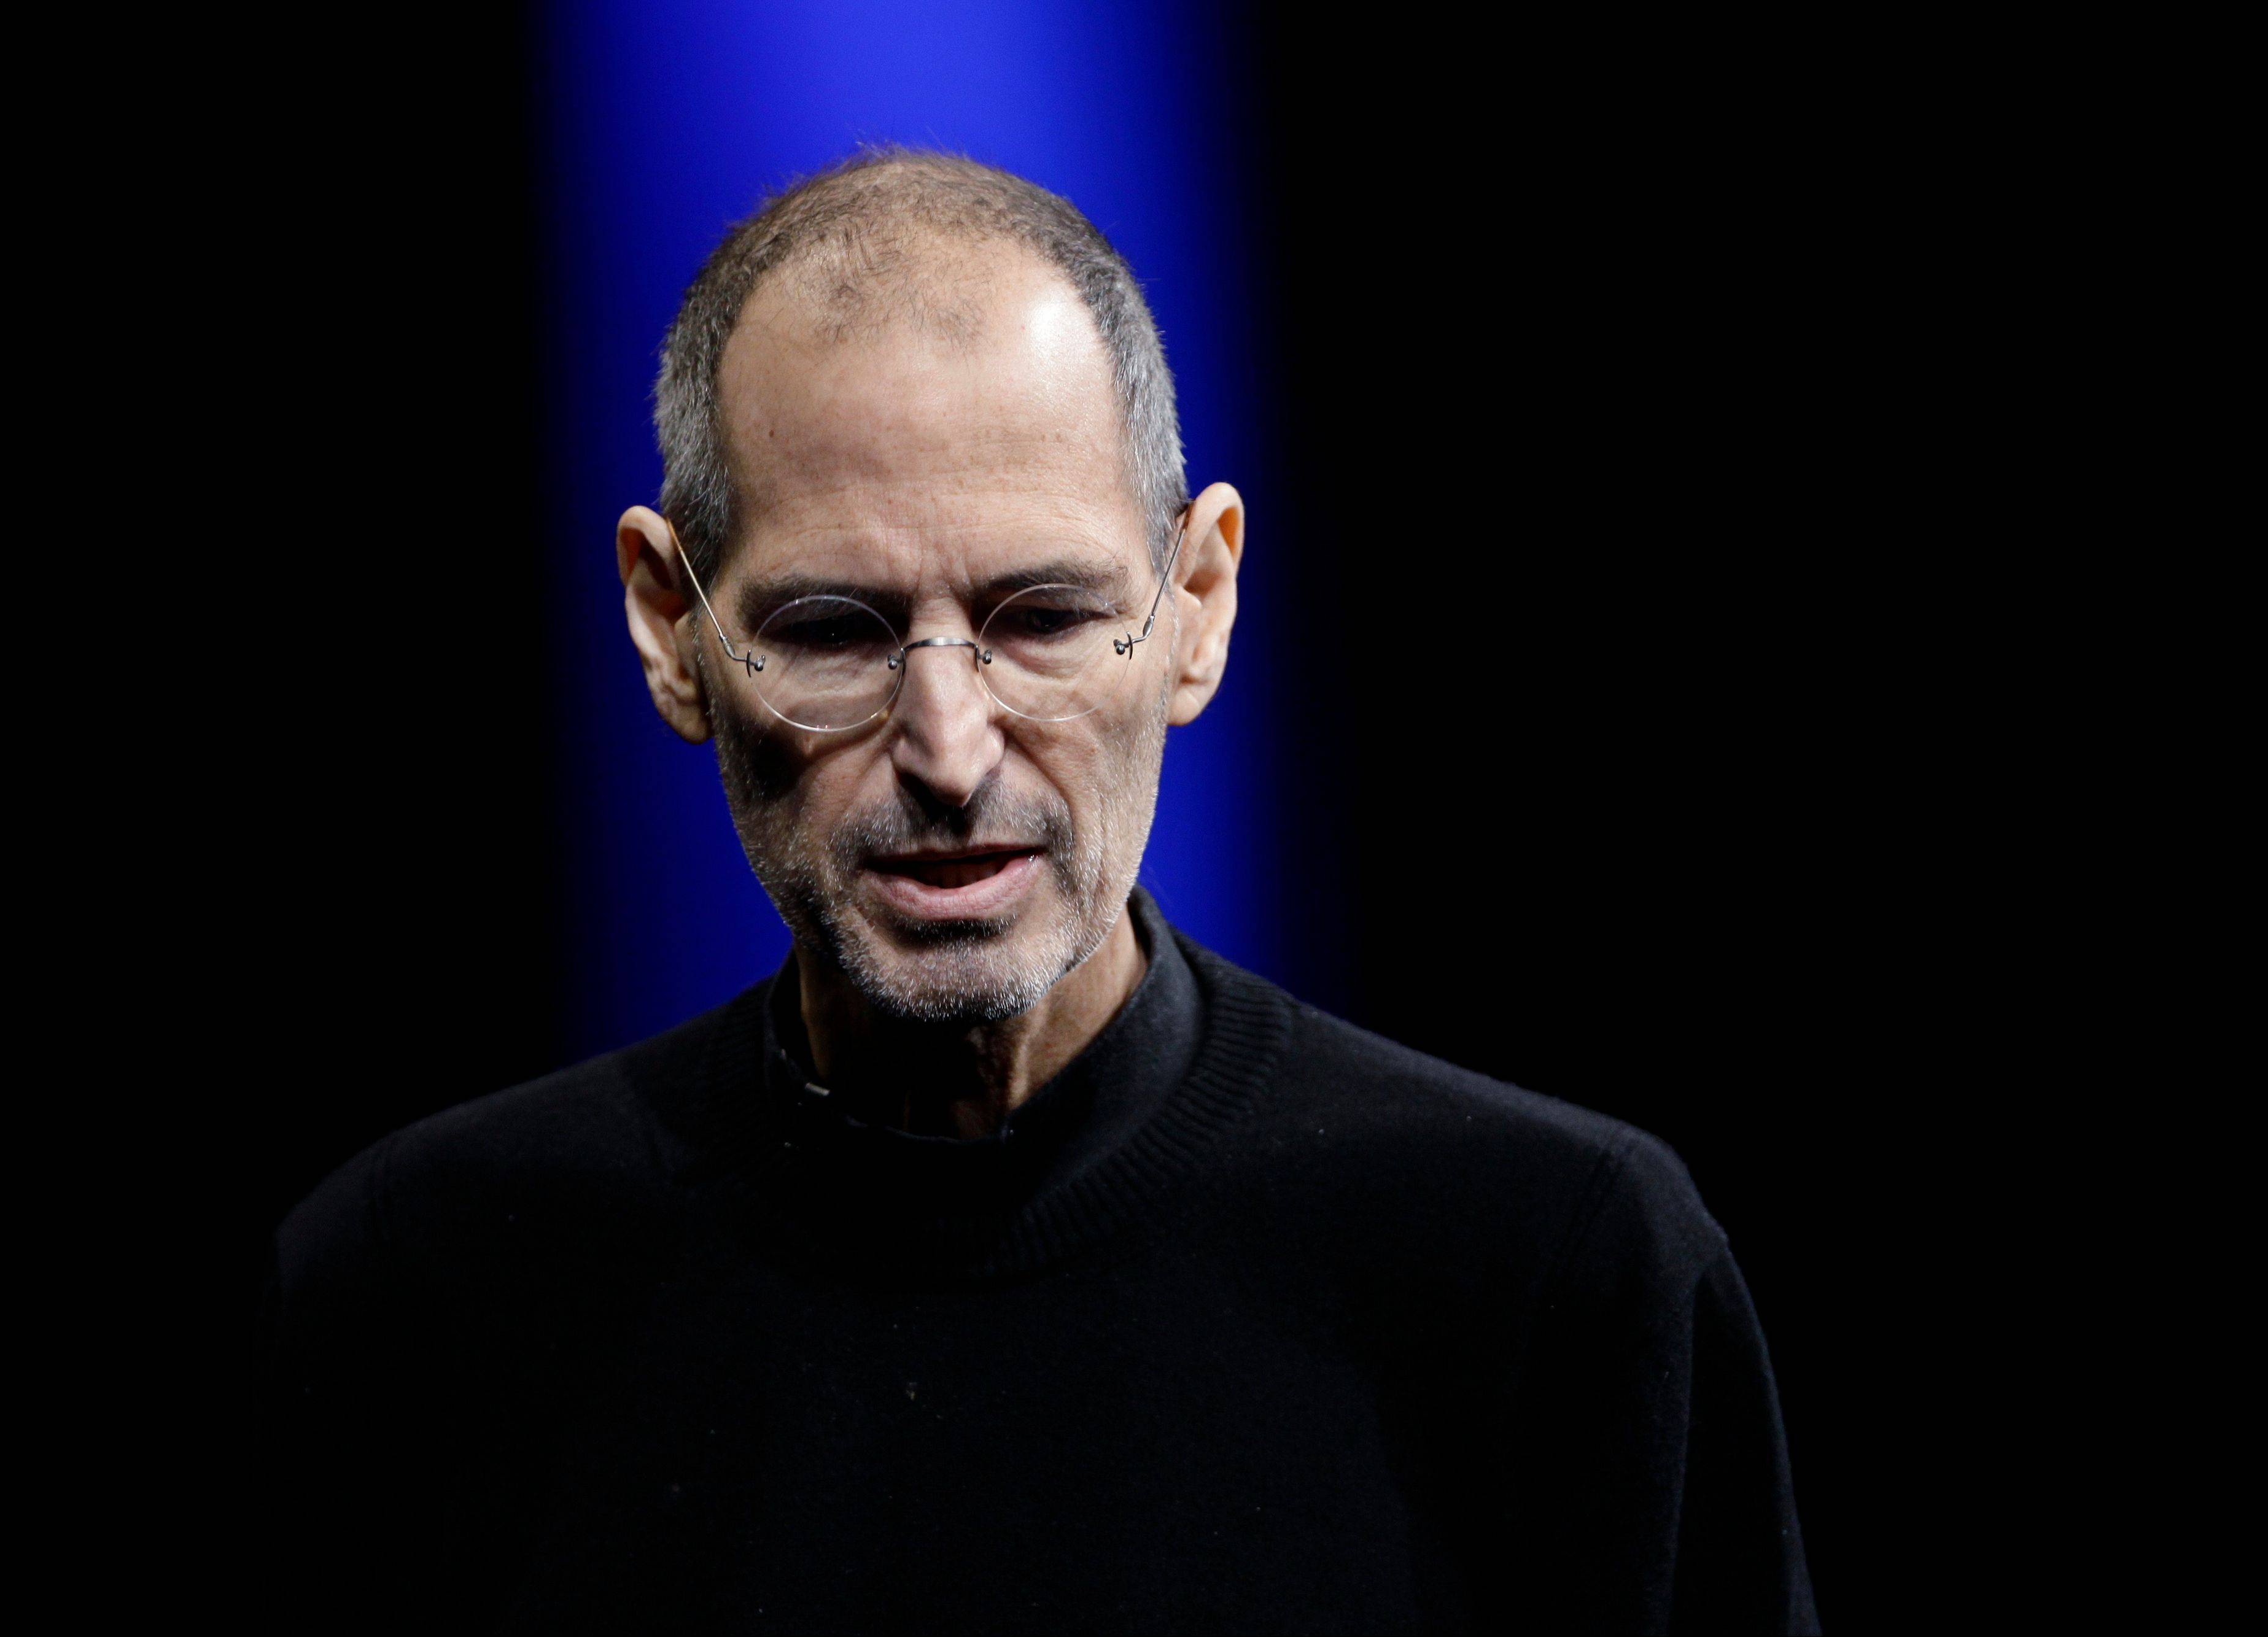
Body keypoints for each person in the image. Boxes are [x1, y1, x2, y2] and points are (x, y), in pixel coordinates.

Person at [258, 149, 1819, 1634]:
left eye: (1044, 617)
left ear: (1196, 603)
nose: (947, 749)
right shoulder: (414, 1293)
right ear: (674, 632)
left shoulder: (1555, 1276)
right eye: (832, 629)